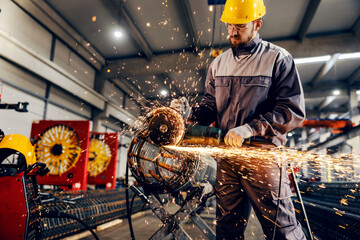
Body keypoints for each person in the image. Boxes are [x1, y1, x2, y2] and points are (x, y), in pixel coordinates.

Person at [170, 0, 306, 239]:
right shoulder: (218, 64)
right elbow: (209, 108)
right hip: (227, 159)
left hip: (262, 157)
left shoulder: (278, 58)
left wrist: (250, 129)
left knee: (281, 229)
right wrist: (188, 113)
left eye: (240, 26)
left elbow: (291, 110)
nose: (233, 31)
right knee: (227, 228)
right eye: (230, 25)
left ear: (257, 24)